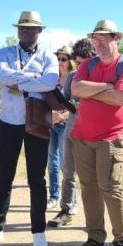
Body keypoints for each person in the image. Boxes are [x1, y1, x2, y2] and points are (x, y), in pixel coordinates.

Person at [0, 11, 58, 246]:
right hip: (9, 121)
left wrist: (18, 83)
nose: (26, 31)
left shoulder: (48, 56)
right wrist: (34, 79)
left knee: (36, 179)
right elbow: (1, 76)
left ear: (39, 31)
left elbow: (51, 82)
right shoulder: (5, 53)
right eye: (22, 28)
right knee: (4, 177)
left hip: (36, 122)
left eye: (31, 28)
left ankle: (38, 230)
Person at [71, 20, 123, 246]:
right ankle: (95, 238)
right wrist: (106, 87)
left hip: (111, 138)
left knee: (110, 188)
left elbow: (121, 97)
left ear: (116, 38)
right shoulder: (89, 64)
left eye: (103, 38)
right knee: (88, 187)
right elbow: (76, 88)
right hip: (82, 136)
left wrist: (94, 91)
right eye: (95, 39)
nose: (97, 43)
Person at [48, 37, 96, 227]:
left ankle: (94, 220)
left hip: (93, 134)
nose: (80, 65)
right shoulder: (71, 77)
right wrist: (58, 110)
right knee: (68, 172)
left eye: (84, 61)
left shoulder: (100, 76)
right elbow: (64, 100)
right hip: (71, 132)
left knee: (92, 178)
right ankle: (66, 210)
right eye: (78, 61)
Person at [47, 45, 75, 208]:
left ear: (70, 61)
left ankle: (71, 200)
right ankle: (54, 196)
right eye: (58, 58)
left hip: (66, 125)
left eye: (63, 59)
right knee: (52, 161)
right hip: (51, 125)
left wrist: (63, 115)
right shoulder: (52, 78)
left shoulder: (74, 78)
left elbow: (78, 105)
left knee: (67, 164)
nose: (60, 62)